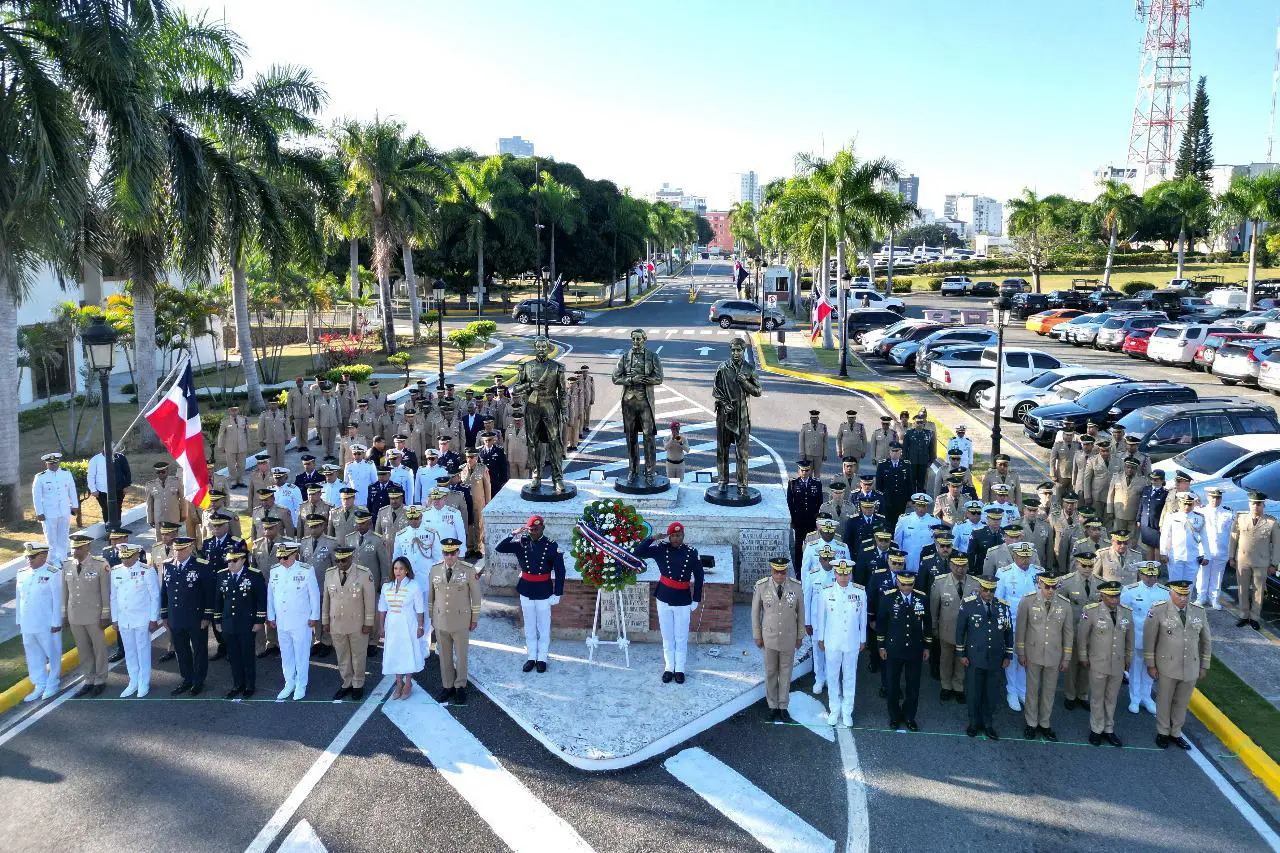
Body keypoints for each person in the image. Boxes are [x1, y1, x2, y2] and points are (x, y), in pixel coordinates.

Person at [1143, 579, 1211, 749]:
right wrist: (1151, 664)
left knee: (1182, 702)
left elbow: (1206, 641)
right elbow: (1149, 639)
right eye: (1179, 594)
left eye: (1186, 594)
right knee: (1164, 700)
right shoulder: (1158, 610)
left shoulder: (1198, 612)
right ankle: (1163, 732)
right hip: (1167, 665)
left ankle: (1176, 732)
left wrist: (1204, 665)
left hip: (1191, 666)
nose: (1183, 598)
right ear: (1171, 593)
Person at [635, 523, 704, 684]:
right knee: (667, 636)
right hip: (664, 597)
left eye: (679, 535)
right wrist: (652, 538)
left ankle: (680, 668)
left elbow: (699, 577)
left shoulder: (691, 552)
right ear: (669, 536)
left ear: (683, 536)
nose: (676, 538)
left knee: (681, 636)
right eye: (673, 535)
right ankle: (669, 667)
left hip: (683, 599)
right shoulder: (661, 549)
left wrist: (696, 599)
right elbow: (639, 552)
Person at [496, 515, 566, 673]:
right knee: (529, 625)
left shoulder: (551, 545)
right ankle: (531, 656)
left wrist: (558, 593)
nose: (533, 532)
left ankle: (542, 657)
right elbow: (499, 547)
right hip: (526, 589)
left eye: (536, 529)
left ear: (543, 528)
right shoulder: (522, 542)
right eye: (531, 529)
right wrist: (513, 534)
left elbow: (560, 571)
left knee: (543, 625)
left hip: (544, 591)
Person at [1016, 573, 1072, 741]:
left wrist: (1066, 657)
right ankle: (1031, 723)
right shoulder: (1028, 601)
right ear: (1039, 584)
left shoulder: (1064, 604)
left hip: (1054, 654)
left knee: (1049, 691)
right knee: (1032, 689)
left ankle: (1045, 723)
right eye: (1046, 586)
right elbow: (1021, 629)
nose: (1050, 590)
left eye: (1053, 587)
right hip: (1033, 652)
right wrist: (1021, 652)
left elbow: (1068, 633)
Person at [1077, 580, 1134, 747]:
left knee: (1111, 698)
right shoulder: (1091, 611)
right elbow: (1082, 636)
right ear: (1102, 595)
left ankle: (1109, 729)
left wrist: (1128, 658)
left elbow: (1129, 639)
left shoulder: (1126, 613)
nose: (1115, 599)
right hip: (1098, 662)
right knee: (1097, 697)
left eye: (1117, 596)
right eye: (1111, 596)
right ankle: (1096, 728)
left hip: (1117, 664)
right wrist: (1083, 657)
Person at [956, 576, 1013, 739]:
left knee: (991, 692)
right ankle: (974, 722)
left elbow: (1008, 632)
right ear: (980, 588)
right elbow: (960, 630)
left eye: (992, 590)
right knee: (974, 691)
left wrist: (1008, 654)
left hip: (996, 657)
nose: (988, 593)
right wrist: (961, 653)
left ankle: (988, 723)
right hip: (975, 656)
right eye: (985, 589)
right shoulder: (968, 604)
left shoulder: (1002, 606)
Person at [427, 538, 482, 705]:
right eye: (446, 553)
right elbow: (431, 596)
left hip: (461, 620)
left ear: (458, 553)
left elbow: (476, 596)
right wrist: (432, 617)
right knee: (444, 656)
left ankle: (460, 686)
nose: (449, 556)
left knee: (461, 656)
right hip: (441, 620)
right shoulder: (435, 570)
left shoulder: (468, 570)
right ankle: (447, 686)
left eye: (452, 553)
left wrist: (474, 618)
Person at [160, 536, 217, 696]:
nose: (177, 553)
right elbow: (164, 592)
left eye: (181, 549)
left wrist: (207, 616)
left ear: (190, 548)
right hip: (175, 617)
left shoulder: (201, 566)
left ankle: (198, 680)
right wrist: (164, 614)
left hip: (196, 617)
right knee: (181, 650)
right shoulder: (167, 566)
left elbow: (209, 593)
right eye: (175, 549)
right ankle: (186, 678)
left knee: (199, 649)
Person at [814, 559, 867, 726]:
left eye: (846, 574)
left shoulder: (860, 592)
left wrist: (863, 639)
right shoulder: (826, 592)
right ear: (835, 573)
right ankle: (834, 709)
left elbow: (863, 618)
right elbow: (821, 617)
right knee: (832, 675)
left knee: (850, 676)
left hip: (852, 641)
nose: (843, 577)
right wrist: (820, 638)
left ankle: (847, 711)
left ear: (850, 574)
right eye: (840, 573)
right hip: (832, 641)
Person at [752, 557, 804, 723]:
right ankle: (772, 705)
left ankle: (783, 706)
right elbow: (755, 613)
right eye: (776, 572)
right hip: (769, 638)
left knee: (786, 672)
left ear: (786, 571)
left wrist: (800, 635)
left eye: (783, 572)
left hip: (789, 637)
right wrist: (757, 635)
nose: (780, 575)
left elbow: (801, 613)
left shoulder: (795, 586)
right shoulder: (762, 586)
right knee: (771, 672)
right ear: (772, 571)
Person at [877, 571, 931, 731]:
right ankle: (894, 716)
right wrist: (881, 645)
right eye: (904, 584)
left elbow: (927, 622)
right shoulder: (888, 598)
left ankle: (909, 716)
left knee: (913, 686)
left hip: (915, 648)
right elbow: (881, 623)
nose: (907, 588)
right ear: (898, 583)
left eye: (910, 584)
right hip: (894, 649)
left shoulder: (922, 598)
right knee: (893, 685)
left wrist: (927, 646)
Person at [267, 541, 321, 701]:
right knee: (286, 654)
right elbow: (271, 594)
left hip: (300, 621)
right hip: (282, 621)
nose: (281, 561)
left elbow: (314, 595)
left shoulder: (306, 570)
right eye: (279, 557)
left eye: (285, 557)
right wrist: (271, 616)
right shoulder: (275, 571)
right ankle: (289, 682)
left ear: (294, 554)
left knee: (301, 654)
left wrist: (314, 616)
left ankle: (301, 684)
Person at [60, 533, 110, 698]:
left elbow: (105, 592)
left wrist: (105, 615)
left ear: (87, 547)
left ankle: (100, 679)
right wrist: (64, 614)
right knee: (83, 649)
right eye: (73, 547)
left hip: (94, 615)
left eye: (79, 547)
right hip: (75, 615)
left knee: (99, 648)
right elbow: (64, 592)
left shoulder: (99, 565)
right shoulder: (67, 565)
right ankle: (88, 679)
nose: (75, 550)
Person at [323, 545, 377, 700]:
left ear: (351, 558)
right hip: (336, 623)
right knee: (342, 655)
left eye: (344, 560)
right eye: (338, 561)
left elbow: (370, 600)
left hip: (357, 623)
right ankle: (346, 682)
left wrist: (368, 622)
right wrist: (325, 620)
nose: (341, 564)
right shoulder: (329, 574)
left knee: (358, 655)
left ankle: (358, 683)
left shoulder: (363, 574)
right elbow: (326, 600)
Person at [214, 543, 267, 698]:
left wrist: (259, 620)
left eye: (234, 561)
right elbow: (218, 600)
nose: (230, 564)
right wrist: (217, 620)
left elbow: (261, 601)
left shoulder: (254, 575)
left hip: (247, 623)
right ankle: (238, 684)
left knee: (247, 655)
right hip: (228, 623)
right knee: (233, 656)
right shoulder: (222, 575)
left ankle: (249, 685)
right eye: (228, 561)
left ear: (243, 560)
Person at [109, 543, 160, 698]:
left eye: (128, 557)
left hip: (142, 619)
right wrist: (115, 618)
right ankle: (133, 681)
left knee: (143, 650)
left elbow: (155, 596)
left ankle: (144, 682)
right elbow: (113, 597)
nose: (125, 560)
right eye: (123, 557)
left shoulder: (147, 571)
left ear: (137, 555)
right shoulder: (115, 571)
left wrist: (153, 619)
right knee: (130, 652)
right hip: (124, 620)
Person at [995, 542, 1042, 710]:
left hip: (1033, 624)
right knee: (1013, 657)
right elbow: (998, 600)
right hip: (1012, 624)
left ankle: (1023, 689)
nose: (1025, 560)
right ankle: (1012, 691)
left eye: (1027, 556)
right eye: (1022, 557)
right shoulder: (1004, 573)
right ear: (1014, 556)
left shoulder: (1038, 573)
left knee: (1027, 657)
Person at [17, 543, 63, 702]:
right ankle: (39, 683)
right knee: (33, 654)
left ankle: (53, 682)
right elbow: (20, 600)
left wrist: (57, 621)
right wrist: (19, 620)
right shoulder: (22, 573)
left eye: (32, 556)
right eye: (27, 556)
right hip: (27, 622)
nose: (28, 559)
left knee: (53, 653)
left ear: (43, 556)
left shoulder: (53, 573)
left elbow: (58, 600)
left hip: (46, 623)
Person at [1227, 491, 1280, 630]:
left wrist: (1274, 563)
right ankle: (1244, 615)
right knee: (1242, 589)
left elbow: (1277, 545)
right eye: (1253, 503)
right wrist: (1231, 557)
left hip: (1261, 562)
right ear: (1249, 504)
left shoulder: (1271, 522)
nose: (1255, 506)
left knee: (1258, 592)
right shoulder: (1240, 518)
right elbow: (1233, 540)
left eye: (1259, 504)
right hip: (1242, 560)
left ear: (1263, 505)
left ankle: (1254, 618)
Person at [931, 554, 979, 702]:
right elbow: (934, 607)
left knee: (962, 659)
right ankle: (946, 685)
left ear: (968, 566)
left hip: (966, 631)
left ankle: (958, 686)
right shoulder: (940, 582)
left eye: (963, 566)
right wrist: (934, 626)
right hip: (947, 629)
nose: (960, 569)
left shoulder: (975, 583)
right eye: (956, 566)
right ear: (951, 565)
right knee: (945, 658)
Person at [380, 556, 426, 700]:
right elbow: (382, 608)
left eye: (401, 568)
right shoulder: (387, 586)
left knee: (407, 652)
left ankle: (408, 683)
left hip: (408, 624)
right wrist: (381, 627)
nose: (398, 571)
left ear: (407, 570)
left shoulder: (414, 586)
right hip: (392, 625)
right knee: (395, 653)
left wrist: (420, 626)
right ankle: (399, 683)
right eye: (395, 568)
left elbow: (419, 609)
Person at [32, 452, 78, 564]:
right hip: (49, 513)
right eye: (51, 464)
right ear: (46, 464)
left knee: (63, 536)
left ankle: (63, 559)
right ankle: (52, 560)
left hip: (64, 510)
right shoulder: (40, 477)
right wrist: (39, 512)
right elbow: (36, 496)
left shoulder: (66, 474)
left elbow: (72, 490)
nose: (53, 465)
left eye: (55, 463)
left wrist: (75, 505)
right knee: (51, 538)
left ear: (59, 463)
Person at [1197, 487, 1234, 610]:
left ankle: (1214, 598)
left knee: (1217, 576)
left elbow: (1231, 534)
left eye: (1218, 497)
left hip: (1221, 550)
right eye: (1213, 497)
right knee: (1202, 575)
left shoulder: (1228, 514)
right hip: (1205, 550)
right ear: (1208, 497)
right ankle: (1201, 597)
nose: (1215, 500)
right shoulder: (1200, 511)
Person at [1160, 493, 1206, 586]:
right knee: (1174, 584)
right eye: (1184, 503)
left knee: (1189, 585)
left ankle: (1187, 601)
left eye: (1189, 504)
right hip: (1175, 556)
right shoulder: (1171, 516)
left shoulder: (1199, 518)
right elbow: (1165, 535)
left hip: (1193, 556)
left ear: (1193, 504)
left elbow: (1204, 537)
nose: (1186, 507)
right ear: (1179, 503)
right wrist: (1163, 553)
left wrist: (1206, 555)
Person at [787, 460, 823, 571]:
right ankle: (798, 569)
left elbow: (820, 503)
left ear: (810, 471)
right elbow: (790, 503)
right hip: (799, 521)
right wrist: (792, 520)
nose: (804, 473)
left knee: (811, 545)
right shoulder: (793, 483)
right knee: (798, 546)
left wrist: (818, 520)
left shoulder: (816, 483)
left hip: (811, 521)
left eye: (807, 470)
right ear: (798, 471)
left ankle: (811, 568)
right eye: (802, 470)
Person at [894, 494, 938, 574]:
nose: (921, 509)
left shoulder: (935, 521)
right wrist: (898, 558)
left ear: (927, 507)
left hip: (927, 560)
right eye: (918, 506)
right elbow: (897, 541)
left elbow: (937, 542)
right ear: (914, 506)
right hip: (909, 560)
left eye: (923, 506)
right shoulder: (904, 519)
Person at [87, 449, 131, 523]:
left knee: (117, 509)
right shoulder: (95, 459)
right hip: (102, 491)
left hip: (118, 489)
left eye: (113, 446)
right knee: (106, 510)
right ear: (103, 448)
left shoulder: (120, 457)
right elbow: (91, 476)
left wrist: (126, 485)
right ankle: (109, 529)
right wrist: (93, 490)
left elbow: (127, 472)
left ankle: (117, 530)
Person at [145, 461, 185, 542]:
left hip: (173, 516)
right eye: (158, 472)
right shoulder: (150, 485)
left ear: (167, 470)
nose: (161, 474)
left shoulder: (176, 481)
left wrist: (183, 514)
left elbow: (183, 499)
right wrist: (150, 519)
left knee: (175, 539)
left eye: (163, 471)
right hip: (159, 517)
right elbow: (149, 503)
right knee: (160, 540)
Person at [875, 443, 912, 523]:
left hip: (901, 499)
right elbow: (878, 484)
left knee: (900, 521)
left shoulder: (906, 464)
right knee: (887, 520)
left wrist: (909, 499)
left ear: (901, 452)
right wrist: (879, 498)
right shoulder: (882, 465)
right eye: (893, 451)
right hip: (887, 498)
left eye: (897, 451)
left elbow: (909, 483)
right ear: (890, 452)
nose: (895, 453)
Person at [1137, 470, 1168, 561]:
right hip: (1145, 522)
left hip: (1157, 524)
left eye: (1156, 479)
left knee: (1158, 547)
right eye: (1152, 479)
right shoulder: (1146, 489)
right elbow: (1141, 505)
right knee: (1149, 546)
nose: (1153, 481)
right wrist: (1138, 519)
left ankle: (1156, 569)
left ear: (1162, 481)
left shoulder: (1165, 494)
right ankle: (1149, 566)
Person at [798, 410, 829, 480]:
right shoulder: (805, 427)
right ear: (810, 418)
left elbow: (825, 442)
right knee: (808, 472)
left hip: (819, 454)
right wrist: (802, 453)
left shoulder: (823, 427)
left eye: (815, 418)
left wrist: (825, 454)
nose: (814, 419)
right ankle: (808, 488)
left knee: (817, 474)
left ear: (818, 418)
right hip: (808, 454)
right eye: (812, 418)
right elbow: (801, 441)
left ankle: (816, 488)